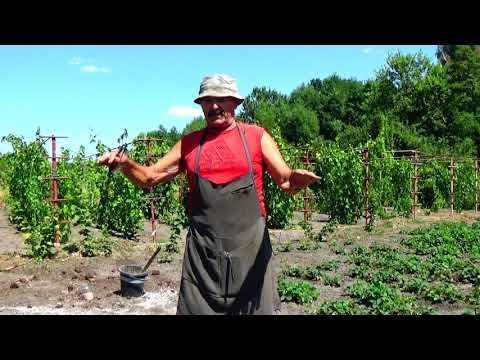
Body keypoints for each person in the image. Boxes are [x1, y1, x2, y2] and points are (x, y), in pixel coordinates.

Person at [97, 74, 320, 315]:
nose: (214, 106)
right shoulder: (189, 144)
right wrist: (125, 164)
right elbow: (150, 177)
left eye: (221, 99)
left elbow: (285, 180)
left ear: (235, 102)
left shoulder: (257, 137)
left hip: (250, 253)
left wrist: (297, 179)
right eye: (207, 100)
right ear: (201, 105)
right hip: (203, 259)